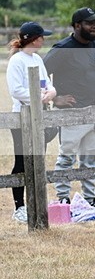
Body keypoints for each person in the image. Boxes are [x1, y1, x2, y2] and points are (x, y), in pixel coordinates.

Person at [43, 8, 95, 214]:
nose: (94, 26)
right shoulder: (63, 48)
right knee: (67, 159)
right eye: (89, 22)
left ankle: (90, 200)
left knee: (90, 159)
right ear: (76, 26)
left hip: (94, 113)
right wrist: (55, 97)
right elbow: (39, 72)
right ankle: (63, 201)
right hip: (71, 114)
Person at [6, 22, 57, 223]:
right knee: (22, 162)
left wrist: (51, 92)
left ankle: (37, 201)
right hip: (21, 118)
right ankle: (19, 206)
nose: (44, 40)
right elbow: (16, 91)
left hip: (40, 116)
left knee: (38, 160)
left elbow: (47, 83)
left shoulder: (37, 59)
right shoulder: (17, 61)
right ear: (35, 39)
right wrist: (39, 96)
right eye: (42, 37)